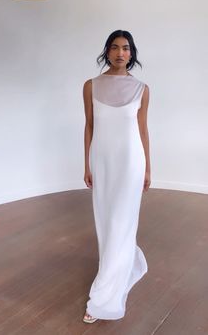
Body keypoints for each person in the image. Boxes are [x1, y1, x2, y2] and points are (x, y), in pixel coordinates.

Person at [82, 30, 151, 324]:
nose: (120, 53)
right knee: (106, 220)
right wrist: (87, 164)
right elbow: (89, 126)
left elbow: (143, 129)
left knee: (122, 220)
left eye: (125, 48)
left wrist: (147, 167)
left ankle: (103, 296)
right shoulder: (90, 86)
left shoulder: (142, 89)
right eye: (114, 47)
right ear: (107, 52)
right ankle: (116, 264)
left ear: (131, 53)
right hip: (102, 161)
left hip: (131, 162)